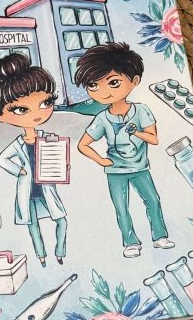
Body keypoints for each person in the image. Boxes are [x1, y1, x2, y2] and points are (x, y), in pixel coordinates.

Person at [74, 42, 174, 258]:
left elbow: (154, 139)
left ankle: (159, 236)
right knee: (121, 208)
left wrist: (136, 132)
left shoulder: (141, 111)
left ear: (134, 81)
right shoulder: (102, 118)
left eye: (113, 83)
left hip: (140, 168)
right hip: (115, 171)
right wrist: (101, 161)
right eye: (93, 85)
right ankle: (130, 243)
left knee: (153, 201)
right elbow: (83, 145)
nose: (103, 91)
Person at [0, 53, 67, 266]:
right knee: (33, 226)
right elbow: (2, 160)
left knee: (61, 221)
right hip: (28, 192)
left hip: (46, 189)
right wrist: (19, 171)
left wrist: (59, 165)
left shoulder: (46, 139)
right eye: (21, 109)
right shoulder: (17, 144)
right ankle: (41, 256)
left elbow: (56, 161)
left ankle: (60, 252)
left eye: (46, 102)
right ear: (1, 115)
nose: (37, 114)